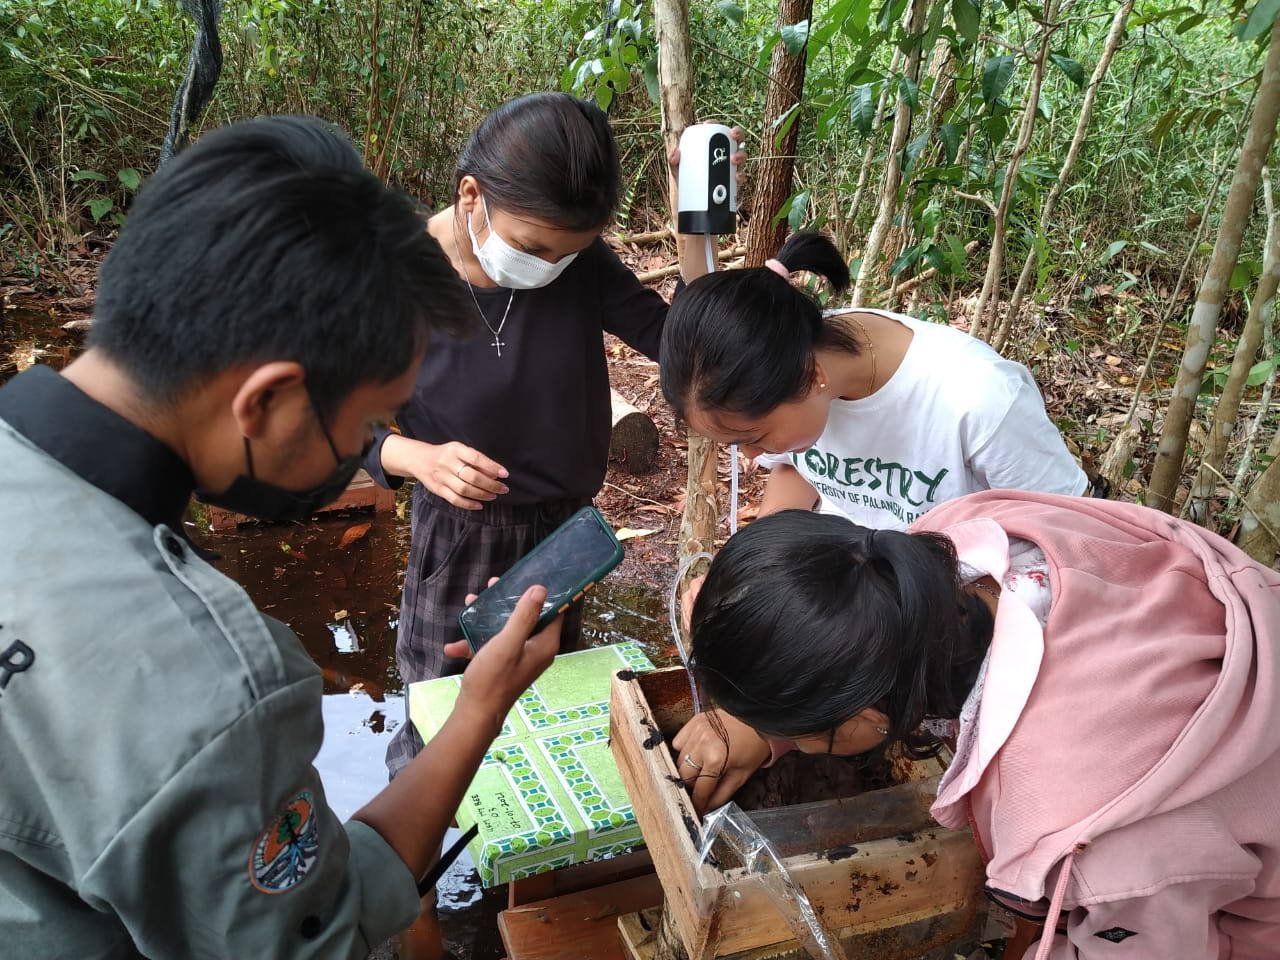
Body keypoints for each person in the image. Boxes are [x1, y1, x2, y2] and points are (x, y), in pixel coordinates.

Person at [0, 116, 562, 958]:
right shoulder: (212, 690)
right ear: (267, 402)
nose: (366, 449)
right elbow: (319, 934)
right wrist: (481, 705)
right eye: (369, 420)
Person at [676, 496, 1280, 958]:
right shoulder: (945, 546)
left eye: (806, 732)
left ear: (864, 718)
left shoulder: (1086, 831)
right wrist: (770, 721)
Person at [366, 92, 743, 778]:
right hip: (462, 533)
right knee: (441, 710)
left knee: (546, 705)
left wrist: (694, 231)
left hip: (567, 533)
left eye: (570, 254)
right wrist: (411, 455)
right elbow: (326, 414)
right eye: (536, 248)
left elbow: (680, 345)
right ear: (471, 195)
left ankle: (522, 859)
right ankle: (408, 874)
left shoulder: (581, 265)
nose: (550, 266)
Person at [660, 232, 1088, 531]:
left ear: (813, 378)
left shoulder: (979, 399)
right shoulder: (789, 358)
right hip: (853, 594)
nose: (753, 456)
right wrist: (759, 559)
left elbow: (1068, 532)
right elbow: (798, 468)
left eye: (753, 437)